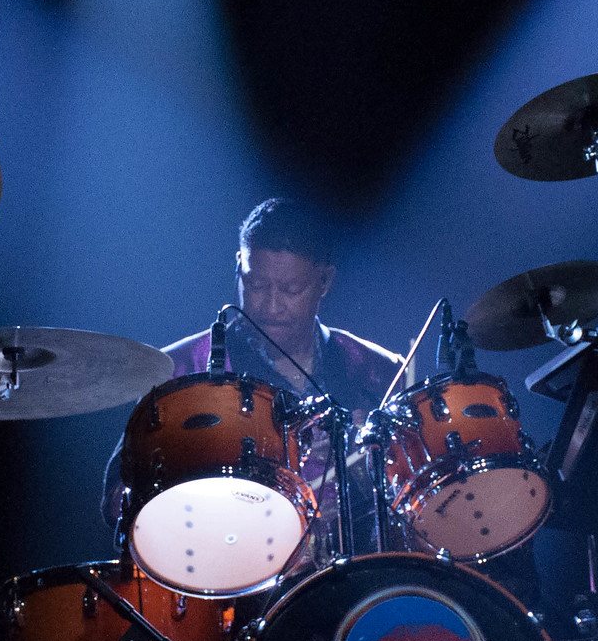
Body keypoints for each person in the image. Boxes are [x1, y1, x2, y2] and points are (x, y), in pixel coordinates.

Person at [102, 197, 404, 541]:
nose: (272, 306)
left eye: (291, 289)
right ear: (239, 267)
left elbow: (414, 494)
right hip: (227, 559)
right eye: (256, 285)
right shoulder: (181, 370)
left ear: (325, 281)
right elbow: (118, 501)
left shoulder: (376, 371)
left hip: (358, 564)